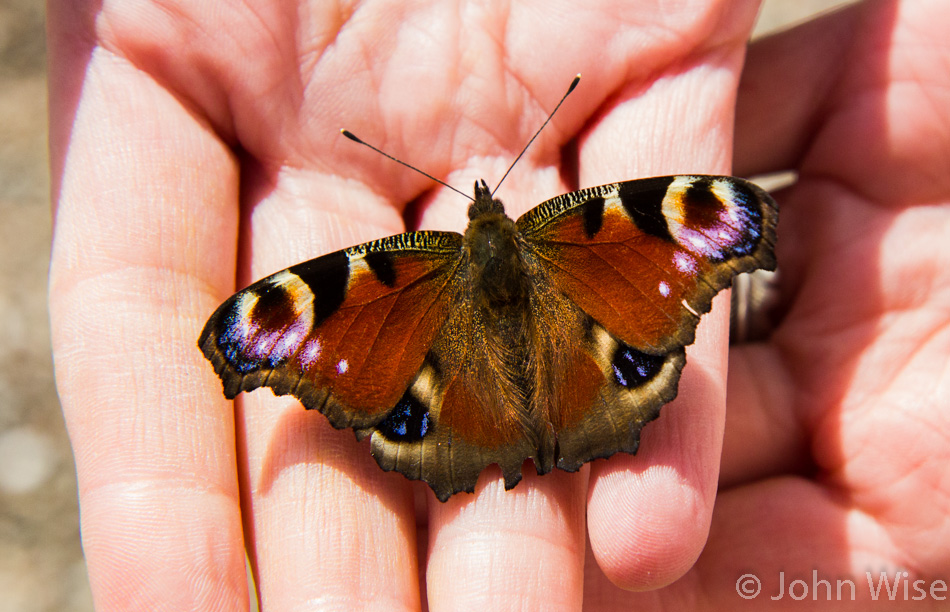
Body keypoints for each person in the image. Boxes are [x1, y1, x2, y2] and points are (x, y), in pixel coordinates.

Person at [47, 0, 950, 609]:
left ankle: (513, 418)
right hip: (587, 351)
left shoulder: (392, 272)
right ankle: (561, 403)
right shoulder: (581, 227)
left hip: (462, 385)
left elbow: (709, 219)